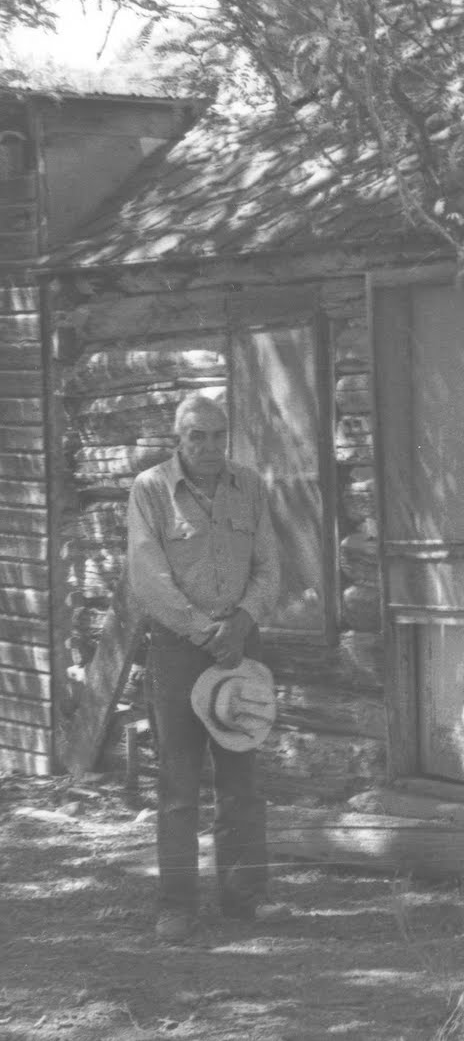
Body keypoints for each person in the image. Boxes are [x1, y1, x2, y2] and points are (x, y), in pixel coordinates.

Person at [126, 392, 281, 944]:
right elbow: (148, 577)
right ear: (179, 440)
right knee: (179, 784)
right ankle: (178, 906)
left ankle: (246, 899)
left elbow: (268, 567)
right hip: (177, 648)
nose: (210, 447)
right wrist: (202, 630)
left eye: (218, 436)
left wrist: (241, 621)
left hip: (240, 644)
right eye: (198, 436)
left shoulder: (250, 486)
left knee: (241, 780)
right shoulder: (149, 490)